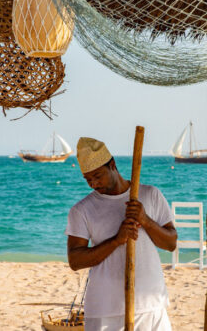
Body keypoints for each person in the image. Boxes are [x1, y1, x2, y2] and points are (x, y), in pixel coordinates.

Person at [66, 137, 177, 331]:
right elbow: (76, 261)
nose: (93, 183)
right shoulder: (82, 210)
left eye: (97, 175)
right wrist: (116, 241)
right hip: (105, 310)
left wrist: (146, 221)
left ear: (112, 165)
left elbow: (171, 243)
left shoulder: (150, 195)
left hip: (151, 303)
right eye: (87, 179)